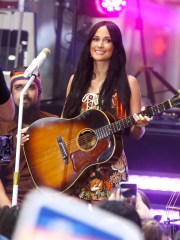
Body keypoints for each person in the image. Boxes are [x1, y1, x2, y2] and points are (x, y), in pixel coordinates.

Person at [61, 20, 152, 202]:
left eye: (107, 40)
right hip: (75, 163)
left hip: (110, 164)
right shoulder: (76, 80)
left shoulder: (129, 83)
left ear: (115, 46)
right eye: (96, 39)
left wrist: (140, 125)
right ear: (89, 44)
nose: (100, 45)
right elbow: (63, 123)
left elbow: (137, 133)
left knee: (104, 225)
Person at [0, 66, 58, 207]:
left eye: (30, 87)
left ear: (40, 93)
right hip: (13, 200)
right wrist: (15, 146)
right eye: (18, 88)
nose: (24, 93)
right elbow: (2, 169)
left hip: (47, 201)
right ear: (11, 93)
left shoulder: (52, 123)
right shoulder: (4, 127)